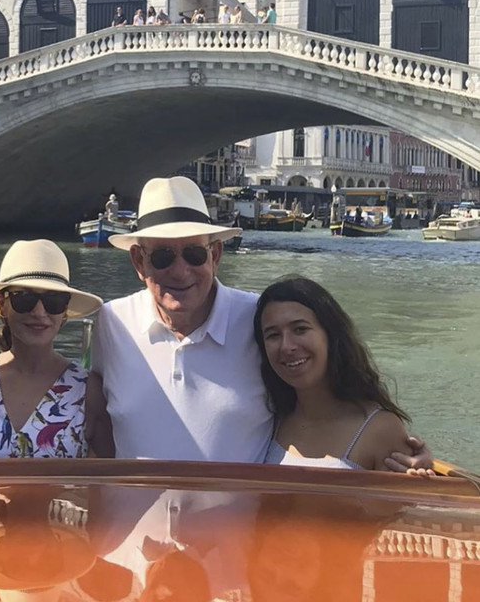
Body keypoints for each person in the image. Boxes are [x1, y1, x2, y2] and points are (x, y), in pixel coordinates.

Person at [91, 176, 430, 470]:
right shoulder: (111, 322)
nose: (180, 272)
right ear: (139, 262)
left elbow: (330, 397)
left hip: (239, 545)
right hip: (131, 542)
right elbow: (91, 420)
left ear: (216, 255)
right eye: (163, 257)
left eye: (194, 254)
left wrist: (400, 451)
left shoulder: (263, 322)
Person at [0, 239, 113, 458]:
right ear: (2, 304)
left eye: (54, 301)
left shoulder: (89, 390)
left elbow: (108, 478)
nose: (39, 312)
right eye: (24, 298)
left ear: (65, 310)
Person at [255, 276, 422, 471]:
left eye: (300, 330)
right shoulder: (269, 418)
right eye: (273, 335)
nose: (286, 346)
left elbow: (401, 498)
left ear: (331, 335)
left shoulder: (380, 429)